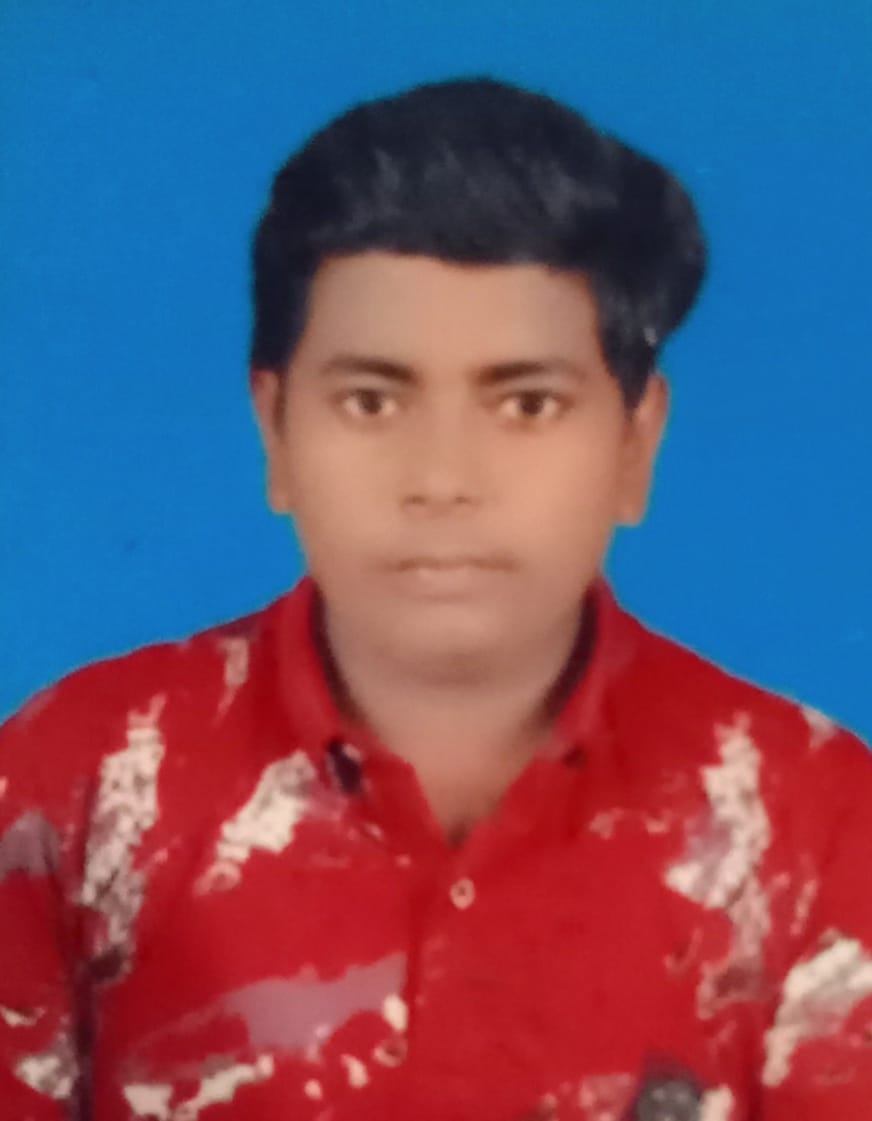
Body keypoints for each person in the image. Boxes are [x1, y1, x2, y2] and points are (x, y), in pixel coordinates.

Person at [1, 75, 869, 1121]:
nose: (443, 478)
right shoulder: (73, 784)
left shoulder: (817, 819)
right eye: (372, 400)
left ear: (635, 442)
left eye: (527, 403)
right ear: (276, 431)